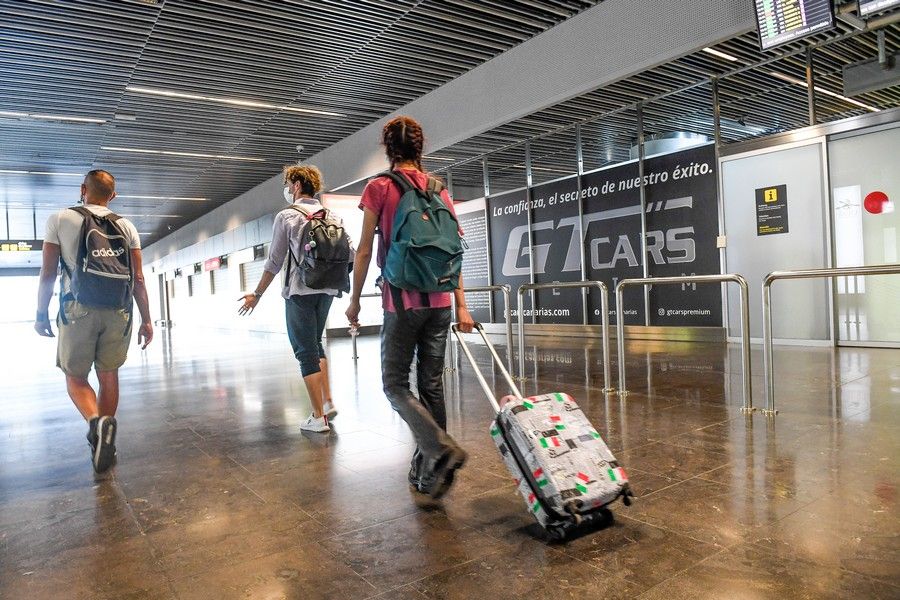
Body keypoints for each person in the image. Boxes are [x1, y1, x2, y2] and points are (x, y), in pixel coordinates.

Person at [346, 115, 474, 499]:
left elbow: (365, 249)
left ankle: (438, 450)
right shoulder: (439, 189)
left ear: (389, 149)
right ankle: (432, 469)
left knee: (394, 384)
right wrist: (462, 307)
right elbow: (454, 252)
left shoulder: (379, 188)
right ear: (421, 148)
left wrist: (354, 302)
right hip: (440, 304)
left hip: (401, 303)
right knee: (431, 384)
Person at [34, 169, 153, 473]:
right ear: (113, 196)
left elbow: (48, 273)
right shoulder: (126, 226)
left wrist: (40, 313)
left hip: (78, 309)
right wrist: (147, 320)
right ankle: (106, 435)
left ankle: (96, 425)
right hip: (119, 309)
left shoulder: (60, 219)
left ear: (82, 189)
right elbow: (138, 278)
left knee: (75, 376)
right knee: (108, 374)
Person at [239, 165, 349, 433]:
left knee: (305, 352)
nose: (287, 189)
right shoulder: (333, 215)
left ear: (298, 184)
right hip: (328, 291)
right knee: (315, 344)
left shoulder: (287, 216)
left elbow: (274, 261)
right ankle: (327, 401)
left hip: (300, 291)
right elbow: (350, 253)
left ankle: (318, 417)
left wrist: (257, 293)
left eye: (289, 184)